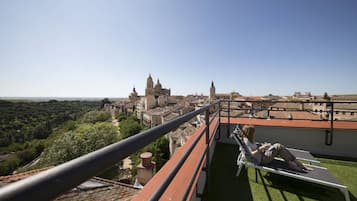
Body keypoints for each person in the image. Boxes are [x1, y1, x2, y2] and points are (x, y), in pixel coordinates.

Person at [241, 125, 311, 172]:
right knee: (278, 146)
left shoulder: (248, 139)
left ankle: (293, 163)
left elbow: (254, 148)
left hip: (262, 155)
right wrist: (263, 147)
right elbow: (251, 154)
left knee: (279, 148)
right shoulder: (246, 141)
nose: (254, 133)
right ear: (249, 133)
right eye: (253, 132)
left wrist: (263, 146)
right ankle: (297, 164)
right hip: (262, 160)